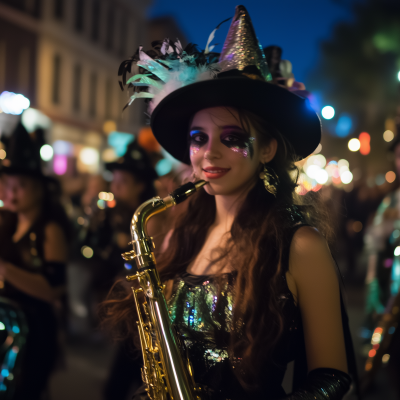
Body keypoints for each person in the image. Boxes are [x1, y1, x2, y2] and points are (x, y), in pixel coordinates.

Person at [103, 6, 358, 399]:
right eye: (198, 138)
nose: (209, 154)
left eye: (232, 137)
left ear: (269, 149)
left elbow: (333, 377)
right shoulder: (180, 236)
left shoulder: (301, 245)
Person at [0, 123, 71, 399]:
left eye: (20, 186)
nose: (11, 193)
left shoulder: (49, 229)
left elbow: (54, 288)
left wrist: (5, 269)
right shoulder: (6, 220)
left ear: (39, 188)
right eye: (8, 186)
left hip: (33, 330)